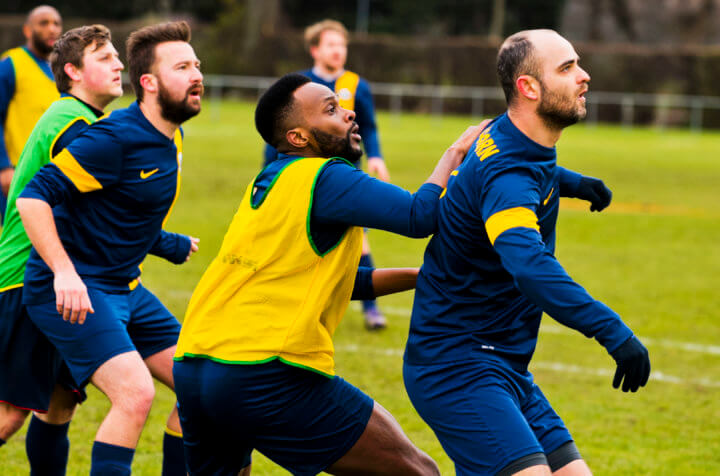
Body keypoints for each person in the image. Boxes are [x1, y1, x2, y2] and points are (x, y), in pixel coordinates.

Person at [172, 72, 488, 475]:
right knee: (419, 471)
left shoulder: (269, 181)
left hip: (197, 365)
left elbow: (340, 280)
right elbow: (419, 214)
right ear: (299, 138)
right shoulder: (327, 175)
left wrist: (419, 276)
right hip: (263, 370)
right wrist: (454, 153)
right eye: (331, 109)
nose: (349, 112)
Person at [403, 29, 651, 476]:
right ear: (529, 88)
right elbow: (529, 266)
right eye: (567, 68)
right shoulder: (509, 182)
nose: (584, 76)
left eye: (578, 63)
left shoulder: (506, 134)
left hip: (505, 366)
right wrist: (612, 331)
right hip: (456, 366)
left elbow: (522, 164)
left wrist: (573, 183)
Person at [16, 21, 201, 476]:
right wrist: (64, 272)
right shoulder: (112, 138)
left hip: (125, 286)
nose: (197, 74)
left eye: (197, 64)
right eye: (182, 67)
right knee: (136, 394)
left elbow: (121, 212)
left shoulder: (171, 136)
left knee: (203, 387)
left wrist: (169, 245)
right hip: (73, 289)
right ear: (149, 83)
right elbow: (33, 197)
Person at [0, 24, 126, 476]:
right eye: (105, 57)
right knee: (6, 414)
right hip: (25, 279)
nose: (119, 64)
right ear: (73, 72)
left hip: (56, 280)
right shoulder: (71, 122)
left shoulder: (86, 121)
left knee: (58, 406)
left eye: (117, 55)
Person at [265, 19, 390, 330]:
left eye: (342, 45)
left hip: (345, 175)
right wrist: (269, 171)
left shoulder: (356, 84)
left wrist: (375, 155)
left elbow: (369, 126)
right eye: (331, 45)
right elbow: (279, 134)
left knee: (359, 242)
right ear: (315, 50)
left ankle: (371, 310)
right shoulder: (300, 86)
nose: (338, 51)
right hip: (304, 177)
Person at [0, 4, 62, 336]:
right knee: (17, 243)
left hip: (58, 177)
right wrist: (3, 165)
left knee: (52, 243)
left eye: (57, 23)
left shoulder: (63, 69)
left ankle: (39, 311)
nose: (52, 28)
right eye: (44, 23)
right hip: (18, 174)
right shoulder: (10, 64)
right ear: (28, 30)